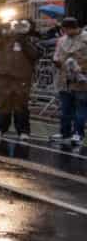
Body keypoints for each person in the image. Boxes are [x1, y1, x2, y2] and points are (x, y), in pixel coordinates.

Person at [0, 19, 41, 141]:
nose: (19, 28)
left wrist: (23, 40)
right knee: (3, 103)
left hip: (21, 76)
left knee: (20, 104)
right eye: (17, 25)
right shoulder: (5, 38)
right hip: (4, 75)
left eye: (23, 26)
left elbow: (35, 55)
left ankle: (23, 131)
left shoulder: (32, 39)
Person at [51, 17, 87, 145]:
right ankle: (64, 132)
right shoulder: (62, 40)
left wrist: (80, 68)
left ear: (73, 28)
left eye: (66, 29)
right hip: (64, 78)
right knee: (65, 108)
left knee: (80, 108)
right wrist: (57, 62)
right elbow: (57, 55)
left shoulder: (85, 39)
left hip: (82, 79)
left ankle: (78, 133)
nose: (64, 31)